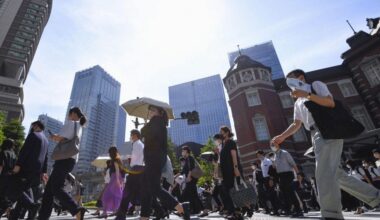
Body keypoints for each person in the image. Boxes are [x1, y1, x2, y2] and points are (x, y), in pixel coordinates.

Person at [272, 69, 380, 220]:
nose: (289, 84)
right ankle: (376, 197)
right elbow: (297, 124)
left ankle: (331, 215)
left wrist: (308, 95)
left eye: (291, 80)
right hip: (315, 135)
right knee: (337, 174)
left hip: (328, 131)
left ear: (301, 78)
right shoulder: (297, 102)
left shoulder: (315, 86)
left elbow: (330, 102)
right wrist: (282, 136)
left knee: (323, 173)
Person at [139, 105, 190, 220]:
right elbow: (146, 135)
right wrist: (147, 124)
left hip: (154, 158)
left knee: (154, 188)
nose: (150, 112)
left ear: (160, 112)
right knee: (146, 189)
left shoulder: (157, 121)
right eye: (150, 110)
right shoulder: (157, 122)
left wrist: (146, 124)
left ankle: (181, 207)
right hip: (153, 158)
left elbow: (145, 134)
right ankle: (144, 217)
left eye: (153, 110)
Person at [38, 107, 88, 220]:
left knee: (56, 187)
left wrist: (53, 136)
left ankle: (76, 209)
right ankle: (43, 216)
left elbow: (60, 138)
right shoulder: (79, 126)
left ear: (73, 113)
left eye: (69, 114)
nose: (68, 117)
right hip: (70, 159)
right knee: (49, 190)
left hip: (64, 159)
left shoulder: (71, 123)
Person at [8, 120, 49, 220]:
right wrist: (44, 171)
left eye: (32, 126)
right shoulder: (46, 141)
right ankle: (15, 215)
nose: (32, 128)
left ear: (36, 126)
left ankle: (32, 205)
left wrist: (18, 164)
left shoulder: (33, 135)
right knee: (26, 189)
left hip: (27, 167)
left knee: (16, 186)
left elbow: (24, 150)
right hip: (37, 171)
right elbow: (46, 157)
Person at [115, 130, 145, 220]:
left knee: (126, 192)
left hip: (136, 169)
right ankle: (159, 210)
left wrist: (129, 158)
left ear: (135, 135)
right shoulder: (141, 144)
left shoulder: (136, 144)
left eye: (131, 135)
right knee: (141, 192)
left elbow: (135, 158)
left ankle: (121, 215)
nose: (130, 137)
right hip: (141, 169)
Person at [270, 143, 303, 217]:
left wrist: (298, 173)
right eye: (271, 145)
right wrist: (273, 164)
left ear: (278, 145)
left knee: (290, 192)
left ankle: (298, 210)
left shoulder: (285, 153)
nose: (272, 147)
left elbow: (293, 163)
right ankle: (289, 210)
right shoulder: (275, 155)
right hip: (281, 175)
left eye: (273, 145)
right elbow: (276, 167)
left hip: (288, 174)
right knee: (284, 193)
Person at [219, 126, 243, 219]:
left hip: (232, 170)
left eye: (222, 132)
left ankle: (237, 212)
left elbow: (234, 156)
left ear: (227, 132)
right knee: (227, 191)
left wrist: (236, 168)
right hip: (225, 172)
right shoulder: (223, 144)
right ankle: (232, 211)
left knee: (234, 191)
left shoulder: (231, 142)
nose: (221, 134)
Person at [180, 145, 207, 217]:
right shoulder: (187, 159)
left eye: (183, 151)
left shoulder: (190, 158)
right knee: (194, 195)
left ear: (186, 151)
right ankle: (204, 210)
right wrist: (176, 175)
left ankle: (180, 210)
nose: (182, 152)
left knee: (184, 195)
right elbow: (183, 171)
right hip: (191, 179)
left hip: (191, 179)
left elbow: (190, 168)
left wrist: (188, 177)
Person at [100, 146, 125, 218]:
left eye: (109, 152)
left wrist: (117, 180)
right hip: (116, 178)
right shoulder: (118, 160)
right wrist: (121, 181)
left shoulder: (115, 160)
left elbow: (117, 170)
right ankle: (115, 211)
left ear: (111, 153)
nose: (109, 154)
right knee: (116, 195)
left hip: (115, 178)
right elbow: (121, 171)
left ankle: (105, 212)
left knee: (106, 195)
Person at [0, 139, 17, 217]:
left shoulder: (3, 152)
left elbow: (1, 165)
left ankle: (8, 208)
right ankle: (8, 208)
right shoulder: (14, 155)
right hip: (10, 177)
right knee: (4, 195)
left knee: (2, 195)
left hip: (3, 176)